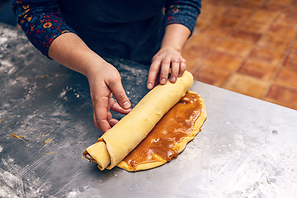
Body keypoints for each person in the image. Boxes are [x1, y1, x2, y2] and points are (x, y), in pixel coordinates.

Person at [12, 0, 201, 133]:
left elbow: (184, 1)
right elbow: (35, 10)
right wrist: (91, 64)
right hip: (75, 47)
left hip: (150, 43)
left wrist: (171, 47)